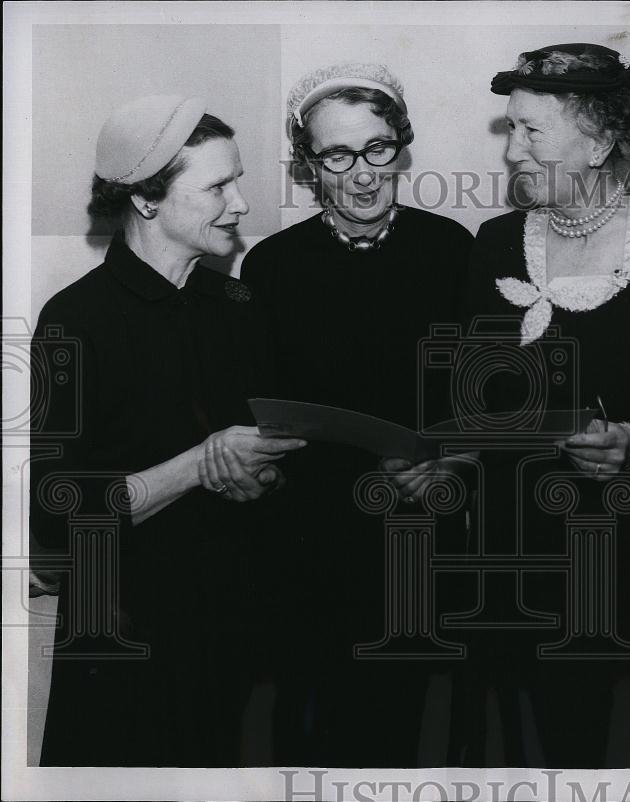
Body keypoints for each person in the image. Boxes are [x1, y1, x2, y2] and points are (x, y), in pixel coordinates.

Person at [453, 43, 630, 767]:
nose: (511, 149)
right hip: (531, 553)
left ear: (602, 140)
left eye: (530, 131)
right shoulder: (493, 245)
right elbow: (474, 408)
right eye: (509, 128)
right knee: (553, 753)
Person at [31, 95, 306, 766]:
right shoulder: (74, 322)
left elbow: (270, 467)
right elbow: (56, 518)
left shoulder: (238, 307)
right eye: (218, 186)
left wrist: (259, 475)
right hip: (122, 642)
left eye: (236, 180)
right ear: (147, 201)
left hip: (227, 635)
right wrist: (199, 464)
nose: (241, 204)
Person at [239, 63, 473, 766]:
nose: (363, 173)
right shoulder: (271, 266)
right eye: (338, 155)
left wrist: (451, 461)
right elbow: (258, 408)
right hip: (306, 550)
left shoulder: (454, 252)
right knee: (303, 735)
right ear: (310, 166)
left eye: (378, 149)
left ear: (400, 147)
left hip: (422, 544)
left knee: (404, 738)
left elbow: (488, 407)